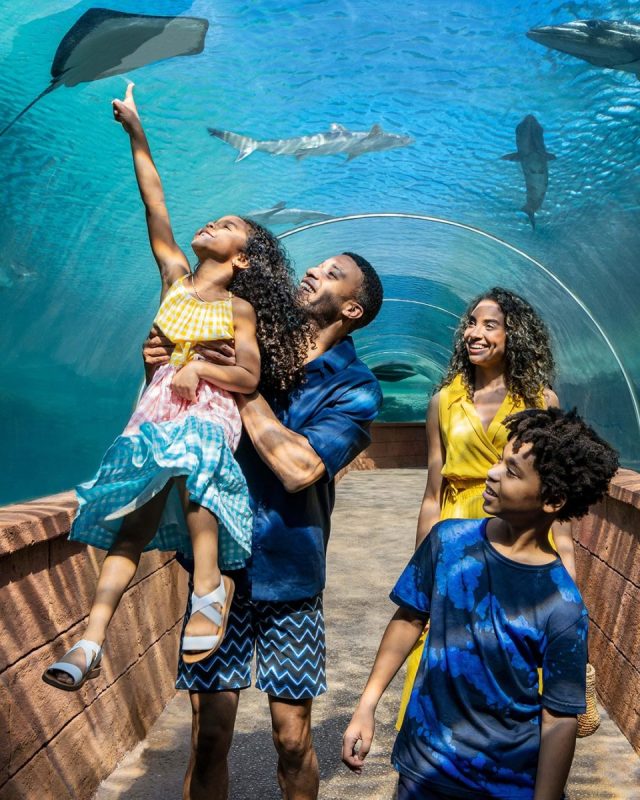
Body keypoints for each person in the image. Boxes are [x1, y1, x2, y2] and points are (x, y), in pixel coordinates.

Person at [42, 84, 310, 689]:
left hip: (210, 414)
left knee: (195, 472)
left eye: (229, 226)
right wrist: (136, 131)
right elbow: (154, 202)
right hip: (156, 411)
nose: (212, 222)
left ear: (243, 259)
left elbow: (247, 376)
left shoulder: (240, 309)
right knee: (133, 524)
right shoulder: (175, 282)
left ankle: (209, 587)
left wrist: (198, 368)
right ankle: (90, 641)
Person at [144, 249, 384, 800]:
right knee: (208, 736)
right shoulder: (247, 337)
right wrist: (160, 365)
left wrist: (241, 384)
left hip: (291, 575)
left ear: (351, 308)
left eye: (330, 274)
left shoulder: (355, 386)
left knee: (293, 737)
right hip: (218, 574)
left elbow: (299, 469)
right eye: (315, 265)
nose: (311, 272)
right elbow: (170, 416)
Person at [342, 407, 619, 800]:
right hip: (423, 766)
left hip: (505, 784)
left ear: (553, 499)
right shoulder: (446, 541)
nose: (491, 473)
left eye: (512, 471)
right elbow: (408, 618)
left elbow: (559, 716)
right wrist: (366, 706)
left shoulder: (562, 604)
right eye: (499, 461)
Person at [397, 287, 575, 726]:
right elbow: (431, 493)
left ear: (515, 335)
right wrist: (422, 567)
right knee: (442, 639)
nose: (473, 334)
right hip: (458, 527)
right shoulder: (443, 400)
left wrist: (568, 581)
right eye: (471, 324)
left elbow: (557, 493)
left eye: (488, 325)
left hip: (523, 532)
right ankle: (433, 746)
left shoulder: (541, 400)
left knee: (515, 643)